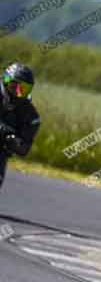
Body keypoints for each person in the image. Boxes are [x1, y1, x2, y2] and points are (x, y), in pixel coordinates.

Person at [0, 63, 40, 191]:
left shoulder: (30, 115)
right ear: (5, 81)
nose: (17, 92)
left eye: (23, 89)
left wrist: (13, 140)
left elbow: (24, 149)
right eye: (14, 86)